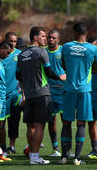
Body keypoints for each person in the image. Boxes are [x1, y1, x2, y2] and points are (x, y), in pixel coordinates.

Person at [16, 26, 66, 165]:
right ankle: (36, 157)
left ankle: (32, 157)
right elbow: (49, 72)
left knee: (31, 126)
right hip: (42, 94)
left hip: (30, 95)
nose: (46, 39)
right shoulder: (41, 52)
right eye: (43, 36)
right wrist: (60, 78)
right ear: (35, 38)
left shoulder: (21, 54)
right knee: (39, 126)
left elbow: (18, 75)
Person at [59, 22, 97, 165]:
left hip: (69, 89)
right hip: (85, 90)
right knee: (81, 124)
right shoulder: (92, 49)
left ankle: (64, 157)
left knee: (66, 123)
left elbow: (64, 65)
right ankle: (77, 158)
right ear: (85, 33)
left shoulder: (66, 47)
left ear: (75, 33)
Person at [46, 29, 65, 157]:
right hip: (49, 91)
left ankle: (66, 149)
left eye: (53, 38)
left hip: (63, 90)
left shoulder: (64, 51)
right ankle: (55, 148)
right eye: (49, 38)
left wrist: (66, 75)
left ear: (58, 39)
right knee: (51, 121)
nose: (51, 40)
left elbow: (70, 66)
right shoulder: (44, 52)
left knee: (66, 121)